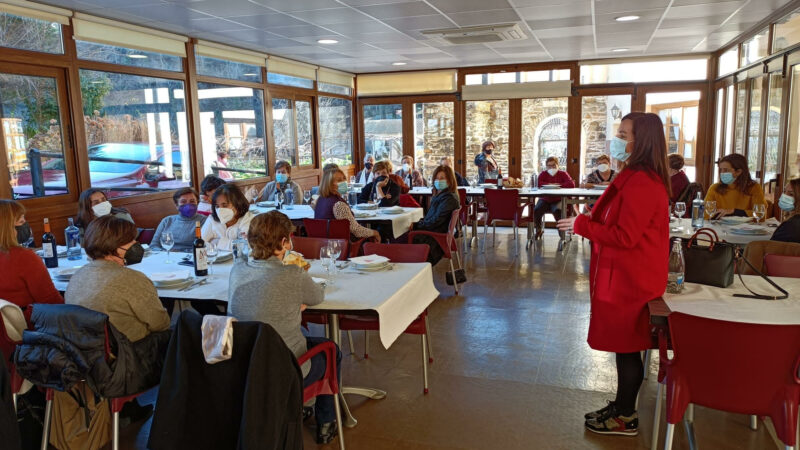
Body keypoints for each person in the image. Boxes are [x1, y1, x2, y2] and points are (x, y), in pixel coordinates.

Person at [556, 112, 669, 436]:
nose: (616, 140)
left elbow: (625, 235)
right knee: (625, 346)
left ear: (641, 140)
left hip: (633, 279)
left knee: (628, 345)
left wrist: (583, 224)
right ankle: (621, 405)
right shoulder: (632, 175)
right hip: (626, 275)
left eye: (623, 134)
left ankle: (626, 415)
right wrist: (589, 220)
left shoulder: (643, 182)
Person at [228, 211, 341, 444]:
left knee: (301, 338)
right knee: (330, 350)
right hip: (286, 370)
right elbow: (317, 297)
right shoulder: (293, 273)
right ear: (283, 243)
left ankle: (301, 409)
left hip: (245, 366)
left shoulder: (237, 270)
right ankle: (326, 421)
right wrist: (294, 303)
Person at [65, 215, 170, 421]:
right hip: (126, 365)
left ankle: (129, 409)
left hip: (85, 360)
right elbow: (161, 323)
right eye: (131, 241)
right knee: (180, 333)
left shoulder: (78, 276)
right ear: (114, 246)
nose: (136, 245)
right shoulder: (131, 279)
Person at [0, 200, 63, 320]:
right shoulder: (24, 257)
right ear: (7, 227)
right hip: (27, 328)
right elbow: (50, 301)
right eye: (22, 221)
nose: (26, 225)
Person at [405, 165, 460, 265]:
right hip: (434, 235)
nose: (438, 181)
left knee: (399, 238)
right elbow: (431, 219)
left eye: (442, 178)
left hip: (434, 241)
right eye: (437, 178)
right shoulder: (442, 196)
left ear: (449, 180)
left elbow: (435, 221)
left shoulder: (449, 199)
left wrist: (417, 225)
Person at [313, 168, 380, 242]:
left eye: (344, 179)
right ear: (329, 184)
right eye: (339, 180)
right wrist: (374, 233)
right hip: (342, 246)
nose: (343, 182)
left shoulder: (320, 200)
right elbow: (357, 231)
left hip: (321, 244)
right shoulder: (338, 205)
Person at [705, 153, 766, 219]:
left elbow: (760, 216)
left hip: (745, 228)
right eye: (721, 170)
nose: (722, 173)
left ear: (738, 172)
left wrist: (735, 212)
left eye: (726, 170)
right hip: (719, 227)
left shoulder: (754, 188)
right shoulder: (714, 188)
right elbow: (705, 214)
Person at [201, 184, 255, 251]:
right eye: (217, 206)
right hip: (215, 260)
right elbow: (200, 244)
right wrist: (233, 244)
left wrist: (218, 242)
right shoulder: (212, 219)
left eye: (225, 205)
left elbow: (246, 246)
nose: (220, 210)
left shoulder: (248, 219)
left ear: (238, 203)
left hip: (241, 261)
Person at [150, 187, 207, 252]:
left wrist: (179, 253)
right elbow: (153, 245)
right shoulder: (167, 221)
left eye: (192, 201)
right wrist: (164, 252)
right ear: (176, 205)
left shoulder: (204, 221)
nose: (188, 205)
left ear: (197, 203)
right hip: (166, 257)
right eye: (183, 202)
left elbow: (204, 247)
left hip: (190, 258)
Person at [532, 156, 575, 239]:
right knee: (537, 210)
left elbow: (571, 184)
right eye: (549, 166)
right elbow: (538, 183)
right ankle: (538, 229)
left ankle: (561, 234)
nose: (551, 168)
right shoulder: (543, 174)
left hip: (558, 199)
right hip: (545, 199)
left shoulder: (563, 174)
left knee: (558, 211)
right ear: (546, 167)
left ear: (558, 166)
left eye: (553, 166)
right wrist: (549, 185)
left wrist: (558, 185)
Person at [772, 177, 800, 243]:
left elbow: (772, 248)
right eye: (784, 191)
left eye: (791, 194)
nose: (784, 196)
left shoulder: (790, 225)